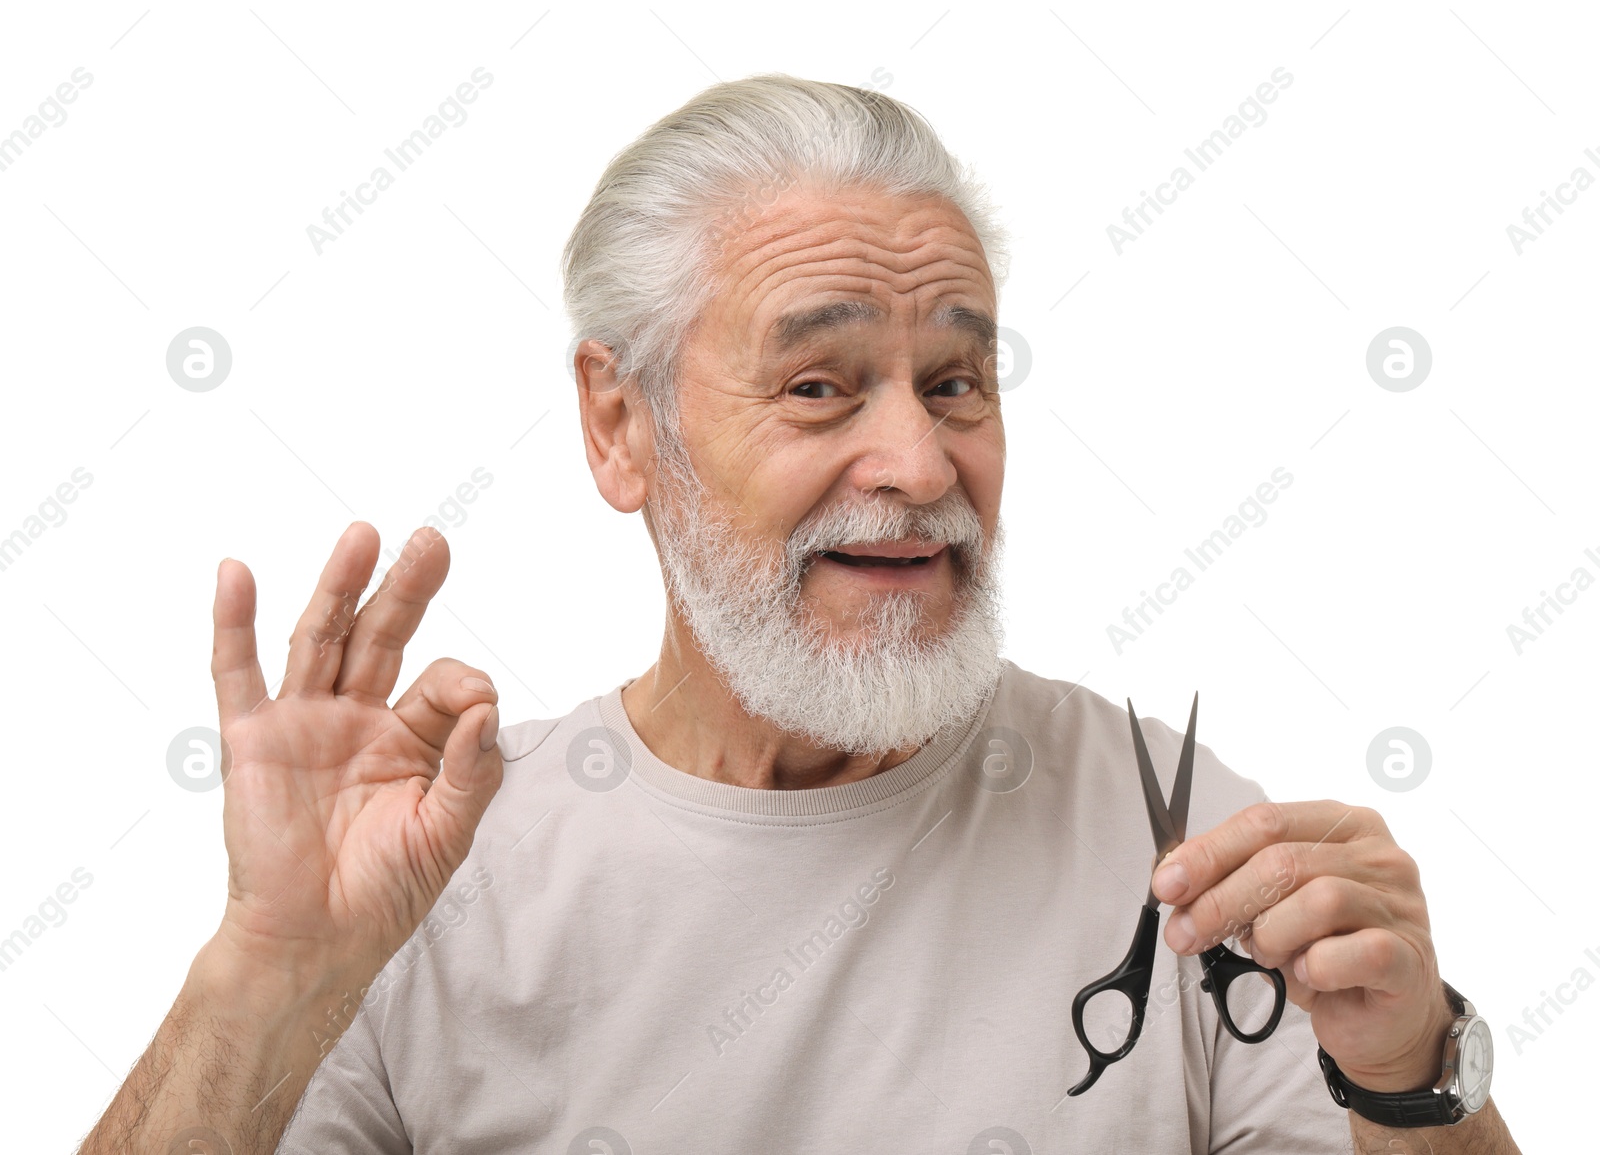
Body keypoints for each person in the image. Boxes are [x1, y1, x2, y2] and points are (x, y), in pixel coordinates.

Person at [77, 75, 1520, 1154]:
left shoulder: (1188, 842)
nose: (920, 462)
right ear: (619, 425)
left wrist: (1411, 1069)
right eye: (820, 387)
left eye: (957, 383)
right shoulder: (427, 871)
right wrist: (268, 973)